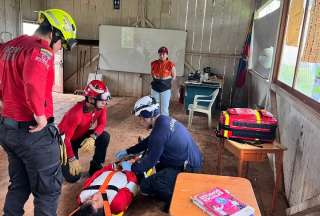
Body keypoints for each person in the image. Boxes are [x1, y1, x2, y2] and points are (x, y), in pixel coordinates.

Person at [0, 9, 77, 216]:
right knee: (48, 191)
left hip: (8, 130)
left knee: (19, 185)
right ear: (53, 34)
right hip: (33, 134)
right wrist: (40, 114)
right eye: (63, 44)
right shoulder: (42, 51)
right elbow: (33, 82)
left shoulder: (12, 45)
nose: (60, 49)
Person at [115, 96, 203, 209]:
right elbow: (149, 141)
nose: (140, 121)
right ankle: (170, 183)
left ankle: (176, 200)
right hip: (191, 158)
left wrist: (131, 167)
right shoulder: (163, 120)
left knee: (146, 186)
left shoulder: (159, 132)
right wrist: (128, 151)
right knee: (159, 163)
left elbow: (150, 162)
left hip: (189, 168)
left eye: (140, 118)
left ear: (147, 116)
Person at [59, 80, 111, 183]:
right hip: (64, 142)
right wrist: (72, 158)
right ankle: (58, 161)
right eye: (102, 100)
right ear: (91, 99)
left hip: (79, 135)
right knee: (73, 177)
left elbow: (102, 124)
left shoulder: (100, 107)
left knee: (104, 136)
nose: (105, 102)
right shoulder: (75, 114)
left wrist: (93, 137)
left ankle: (95, 166)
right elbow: (65, 139)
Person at [69, 163, 138, 216]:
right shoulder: (117, 203)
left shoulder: (82, 196)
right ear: (103, 209)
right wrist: (128, 171)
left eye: (89, 198)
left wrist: (111, 167)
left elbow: (95, 176)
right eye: (96, 201)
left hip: (113, 169)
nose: (94, 196)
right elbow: (132, 186)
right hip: (128, 173)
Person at [150, 46, 176, 116]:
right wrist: (157, 78)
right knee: (154, 106)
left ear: (167, 54)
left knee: (164, 108)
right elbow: (152, 74)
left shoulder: (171, 64)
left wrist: (165, 80)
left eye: (163, 54)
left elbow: (174, 77)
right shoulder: (153, 63)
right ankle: (155, 123)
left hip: (165, 88)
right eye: (160, 54)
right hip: (155, 88)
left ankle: (164, 124)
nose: (162, 56)